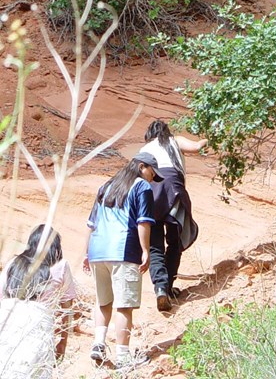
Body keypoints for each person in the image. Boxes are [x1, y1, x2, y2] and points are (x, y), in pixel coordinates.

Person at [83, 152, 163, 371]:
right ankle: (123, 357)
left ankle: (98, 343)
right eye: (151, 173)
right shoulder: (141, 187)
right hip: (124, 251)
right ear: (141, 166)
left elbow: (92, 223)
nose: (151, 180)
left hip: (98, 251)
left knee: (103, 301)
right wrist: (145, 250)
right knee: (124, 305)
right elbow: (143, 221)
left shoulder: (106, 186)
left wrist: (86, 253)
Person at [140, 120, 206, 312]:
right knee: (175, 241)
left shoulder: (146, 148)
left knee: (155, 245)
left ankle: (160, 287)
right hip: (174, 192)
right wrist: (211, 137)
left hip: (150, 192)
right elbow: (196, 146)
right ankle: (168, 286)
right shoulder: (174, 141)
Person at [0, 224, 77, 378]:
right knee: (36, 370)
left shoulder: (14, 263)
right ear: (56, 245)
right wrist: (63, 342)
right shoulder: (60, 266)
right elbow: (67, 306)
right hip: (39, 325)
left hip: (9, 319)